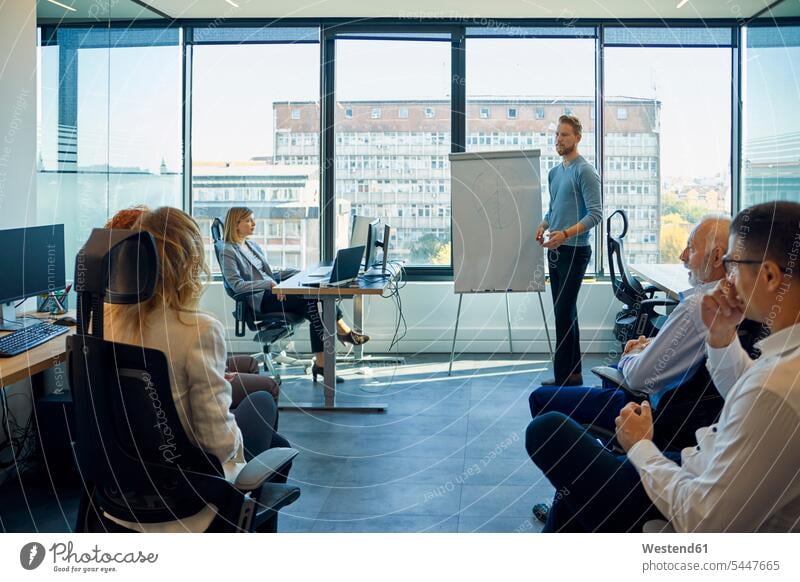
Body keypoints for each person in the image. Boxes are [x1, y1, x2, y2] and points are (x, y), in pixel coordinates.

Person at [526, 200, 800, 532]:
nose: (728, 275)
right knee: (577, 492)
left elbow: (706, 519)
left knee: (547, 430)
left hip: (685, 490)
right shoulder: (783, 360)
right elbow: (744, 390)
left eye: (734, 262)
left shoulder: (778, 387)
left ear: (769, 276)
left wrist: (641, 447)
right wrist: (721, 336)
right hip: (693, 463)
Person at [527, 215, 731, 522]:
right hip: (684, 412)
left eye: (690, 248)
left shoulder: (697, 306)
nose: (682, 256)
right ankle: (576, 495)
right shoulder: (736, 302)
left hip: (647, 410)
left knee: (543, 402)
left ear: (717, 257)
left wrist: (632, 353)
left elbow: (638, 376)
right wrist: (652, 346)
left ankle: (578, 491)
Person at [104, 207, 291, 533]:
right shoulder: (197, 329)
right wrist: (239, 453)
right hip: (191, 498)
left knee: (273, 438)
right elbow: (216, 440)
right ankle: (239, 527)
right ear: (188, 263)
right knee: (266, 415)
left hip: (119, 495)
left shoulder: (100, 322)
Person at [106, 206, 279, 406]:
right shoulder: (196, 328)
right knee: (267, 395)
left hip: (140, 422)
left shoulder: (101, 316)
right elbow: (216, 435)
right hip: (190, 428)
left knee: (249, 365)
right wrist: (210, 378)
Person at [220, 206, 368, 383]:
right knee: (316, 301)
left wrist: (298, 273)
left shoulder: (251, 245)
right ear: (236, 224)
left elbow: (267, 273)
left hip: (272, 291)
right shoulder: (227, 250)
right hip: (261, 299)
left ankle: (322, 363)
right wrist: (270, 284)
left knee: (316, 303)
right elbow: (236, 285)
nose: (254, 223)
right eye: (248, 220)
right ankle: (342, 333)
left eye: (253, 219)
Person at [535, 115, 602, 387]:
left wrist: (565, 234)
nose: (559, 140)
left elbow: (595, 214)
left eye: (564, 135)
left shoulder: (584, 171)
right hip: (556, 250)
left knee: (563, 314)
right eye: (557, 135)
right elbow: (554, 210)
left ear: (577, 138)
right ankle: (574, 374)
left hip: (575, 251)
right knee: (566, 311)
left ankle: (563, 377)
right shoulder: (554, 172)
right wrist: (544, 224)